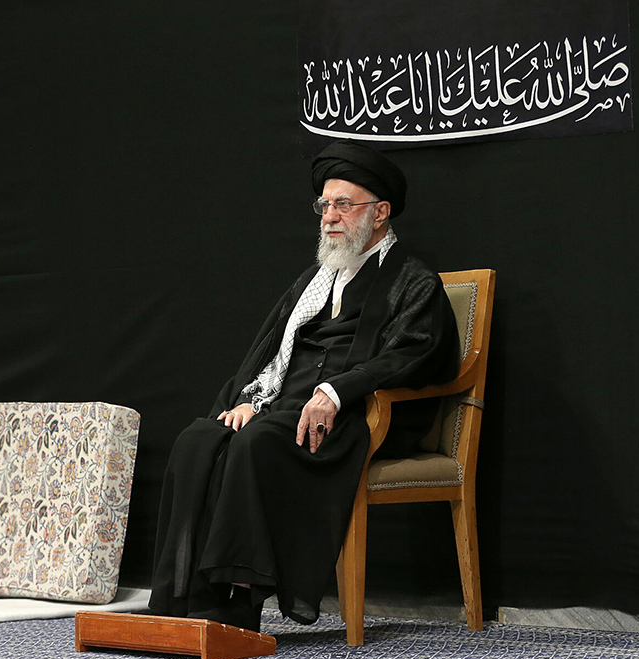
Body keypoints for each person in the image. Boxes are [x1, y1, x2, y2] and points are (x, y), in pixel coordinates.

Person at [148, 141, 461, 632]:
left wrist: (336, 393)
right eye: (324, 205)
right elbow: (270, 352)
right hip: (284, 409)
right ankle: (178, 602)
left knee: (255, 445)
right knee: (198, 440)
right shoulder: (313, 280)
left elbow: (414, 353)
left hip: (353, 418)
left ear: (380, 213)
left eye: (343, 205)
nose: (329, 217)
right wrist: (251, 399)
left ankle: (235, 608)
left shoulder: (413, 282)